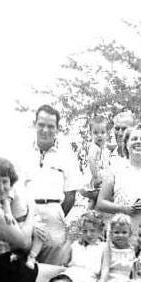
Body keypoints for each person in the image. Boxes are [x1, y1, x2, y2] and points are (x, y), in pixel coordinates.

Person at [0, 158, 63, 282]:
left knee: (64, 274)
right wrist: (31, 212)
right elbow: (24, 242)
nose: (1, 188)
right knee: (64, 276)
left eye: (5, 182)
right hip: (3, 272)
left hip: (6, 265)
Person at [22, 104, 85, 265]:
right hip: (27, 216)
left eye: (51, 126)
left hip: (54, 216)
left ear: (57, 128)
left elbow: (70, 195)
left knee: (52, 269)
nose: (45, 130)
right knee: (24, 266)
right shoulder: (22, 153)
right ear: (34, 124)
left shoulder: (67, 156)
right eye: (41, 125)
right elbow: (15, 189)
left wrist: (55, 213)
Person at [64, 210, 106, 282]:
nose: (88, 234)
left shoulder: (103, 247)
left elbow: (104, 269)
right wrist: (69, 240)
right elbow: (64, 262)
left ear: (100, 231)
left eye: (92, 231)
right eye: (84, 231)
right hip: (71, 277)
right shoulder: (75, 245)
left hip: (88, 281)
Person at [82, 114, 113, 208]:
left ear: (107, 134)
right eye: (95, 133)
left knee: (97, 197)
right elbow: (91, 160)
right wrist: (95, 177)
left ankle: (92, 209)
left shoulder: (102, 147)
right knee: (95, 196)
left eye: (102, 132)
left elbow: (109, 147)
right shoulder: (94, 147)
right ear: (90, 134)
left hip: (101, 175)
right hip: (94, 175)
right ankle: (89, 210)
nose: (99, 135)